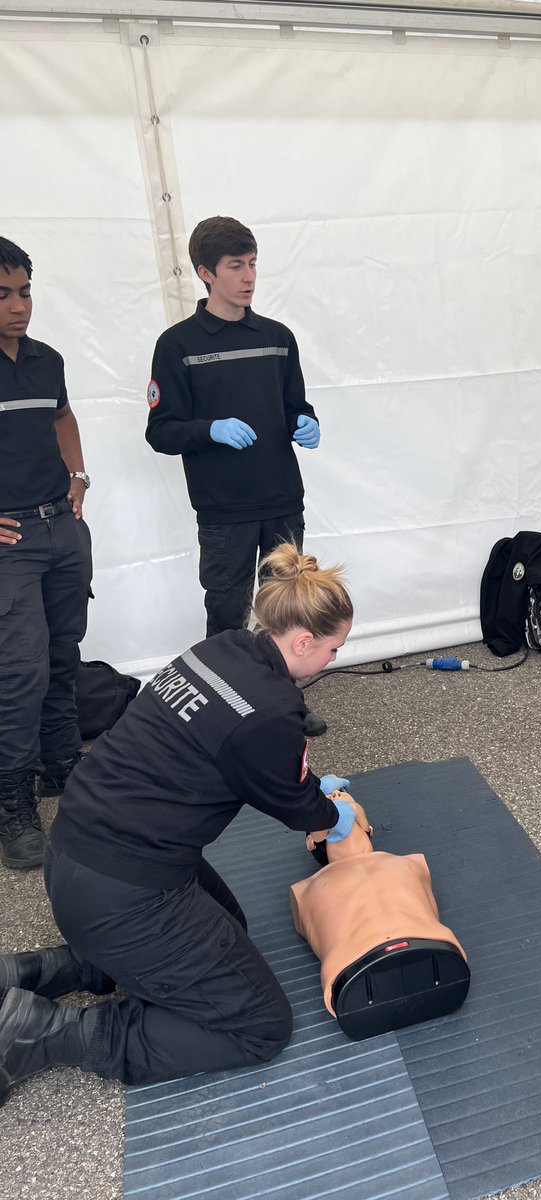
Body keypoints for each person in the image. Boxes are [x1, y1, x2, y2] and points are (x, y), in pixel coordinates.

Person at [0, 544, 357, 1107]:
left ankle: (33, 973)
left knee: (229, 927)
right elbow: (297, 807)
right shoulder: (271, 713)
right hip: (119, 891)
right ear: (304, 640)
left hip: (75, 849)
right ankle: (41, 1033)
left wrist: (304, 782)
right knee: (260, 1024)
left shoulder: (221, 647)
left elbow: (255, 758)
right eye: (335, 648)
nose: (336, 658)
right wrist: (334, 814)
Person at [145, 215, 327, 736]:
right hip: (224, 507)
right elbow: (162, 431)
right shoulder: (178, 345)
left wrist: (305, 422)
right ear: (205, 272)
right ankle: (223, 711)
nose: (248, 276)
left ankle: (282, 704)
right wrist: (209, 429)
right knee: (226, 611)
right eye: (235, 266)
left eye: (252, 264)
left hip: (281, 498)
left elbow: (296, 403)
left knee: (289, 613)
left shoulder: (276, 338)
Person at [0, 237, 93, 871]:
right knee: (20, 673)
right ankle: (11, 800)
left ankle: (62, 768)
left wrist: (77, 476)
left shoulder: (46, 360)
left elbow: (63, 418)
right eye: (3, 294)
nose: (18, 306)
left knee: (64, 656)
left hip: (61, 528)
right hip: (12, 548)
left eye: (25, 291)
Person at [290, 796, 470, 1040]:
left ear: (368, 827)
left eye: (342, 796)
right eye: (331, 799)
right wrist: (327, 817)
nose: (336, 798)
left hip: (417, 940)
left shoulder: (409, 863)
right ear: (312, 843)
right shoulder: (309, 889)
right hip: (361, 957)